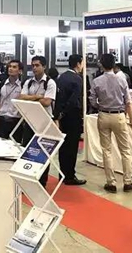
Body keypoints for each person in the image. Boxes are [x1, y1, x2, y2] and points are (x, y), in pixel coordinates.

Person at [89, 53, 132, 193]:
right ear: (114, 64)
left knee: (106, 150)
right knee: (125, 150)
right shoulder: (122, 80)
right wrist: (131, 119)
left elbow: (92, 101)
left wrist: (101, 106)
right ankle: (128, 182)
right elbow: (128, 101)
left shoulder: (96, 81)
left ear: (101, 65)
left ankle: (111, 182)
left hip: (103, 115)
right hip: (119, 115)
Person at [19, 56, 57, 188]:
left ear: (44, 67)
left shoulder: (50, 83)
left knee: (43, 153)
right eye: (33, 65)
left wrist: (30, 98)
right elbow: (21, 97)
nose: (34, 68)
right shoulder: (28, 82)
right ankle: (27, 179)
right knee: (27, 151)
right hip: (30, 121)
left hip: (44, 122)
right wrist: (37, 97)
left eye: (37, 65)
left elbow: (47, 102)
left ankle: (42, 182)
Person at [55, 55, 87, 186]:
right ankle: (69, 175)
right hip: (72, 116)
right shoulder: (77, 79)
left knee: (63, 146)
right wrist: (65, 112)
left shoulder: (61, 77)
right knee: (72, 146)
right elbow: (74, 100)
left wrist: (59, 114)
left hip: (62, 117)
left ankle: (62, 173)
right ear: (78, 64)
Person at [0, 60, 23, 142]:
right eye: (10, 66)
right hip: (1, 120)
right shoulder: (0, 84)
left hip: (16, 121)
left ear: (20, 71)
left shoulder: (22, 86)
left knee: (15, 145)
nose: (10, 69)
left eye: (14, 67)